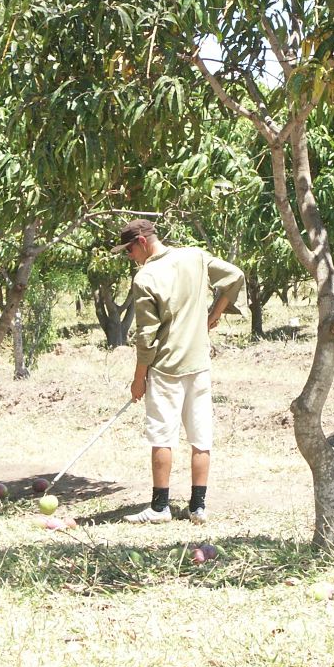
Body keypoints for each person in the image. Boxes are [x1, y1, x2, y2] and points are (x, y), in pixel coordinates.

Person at [112, 218, 245, 524]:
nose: (129, 256)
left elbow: (146, 336)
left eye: (129, 250)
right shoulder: (194, 256)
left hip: (165, 367)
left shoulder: (146, 277)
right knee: (200, 435)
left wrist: (138, 378)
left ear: (142, 242)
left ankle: (160, 507)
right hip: (198, 363)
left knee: (162, 436)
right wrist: (214, 314)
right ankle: (198, 507)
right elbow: (235, 276)